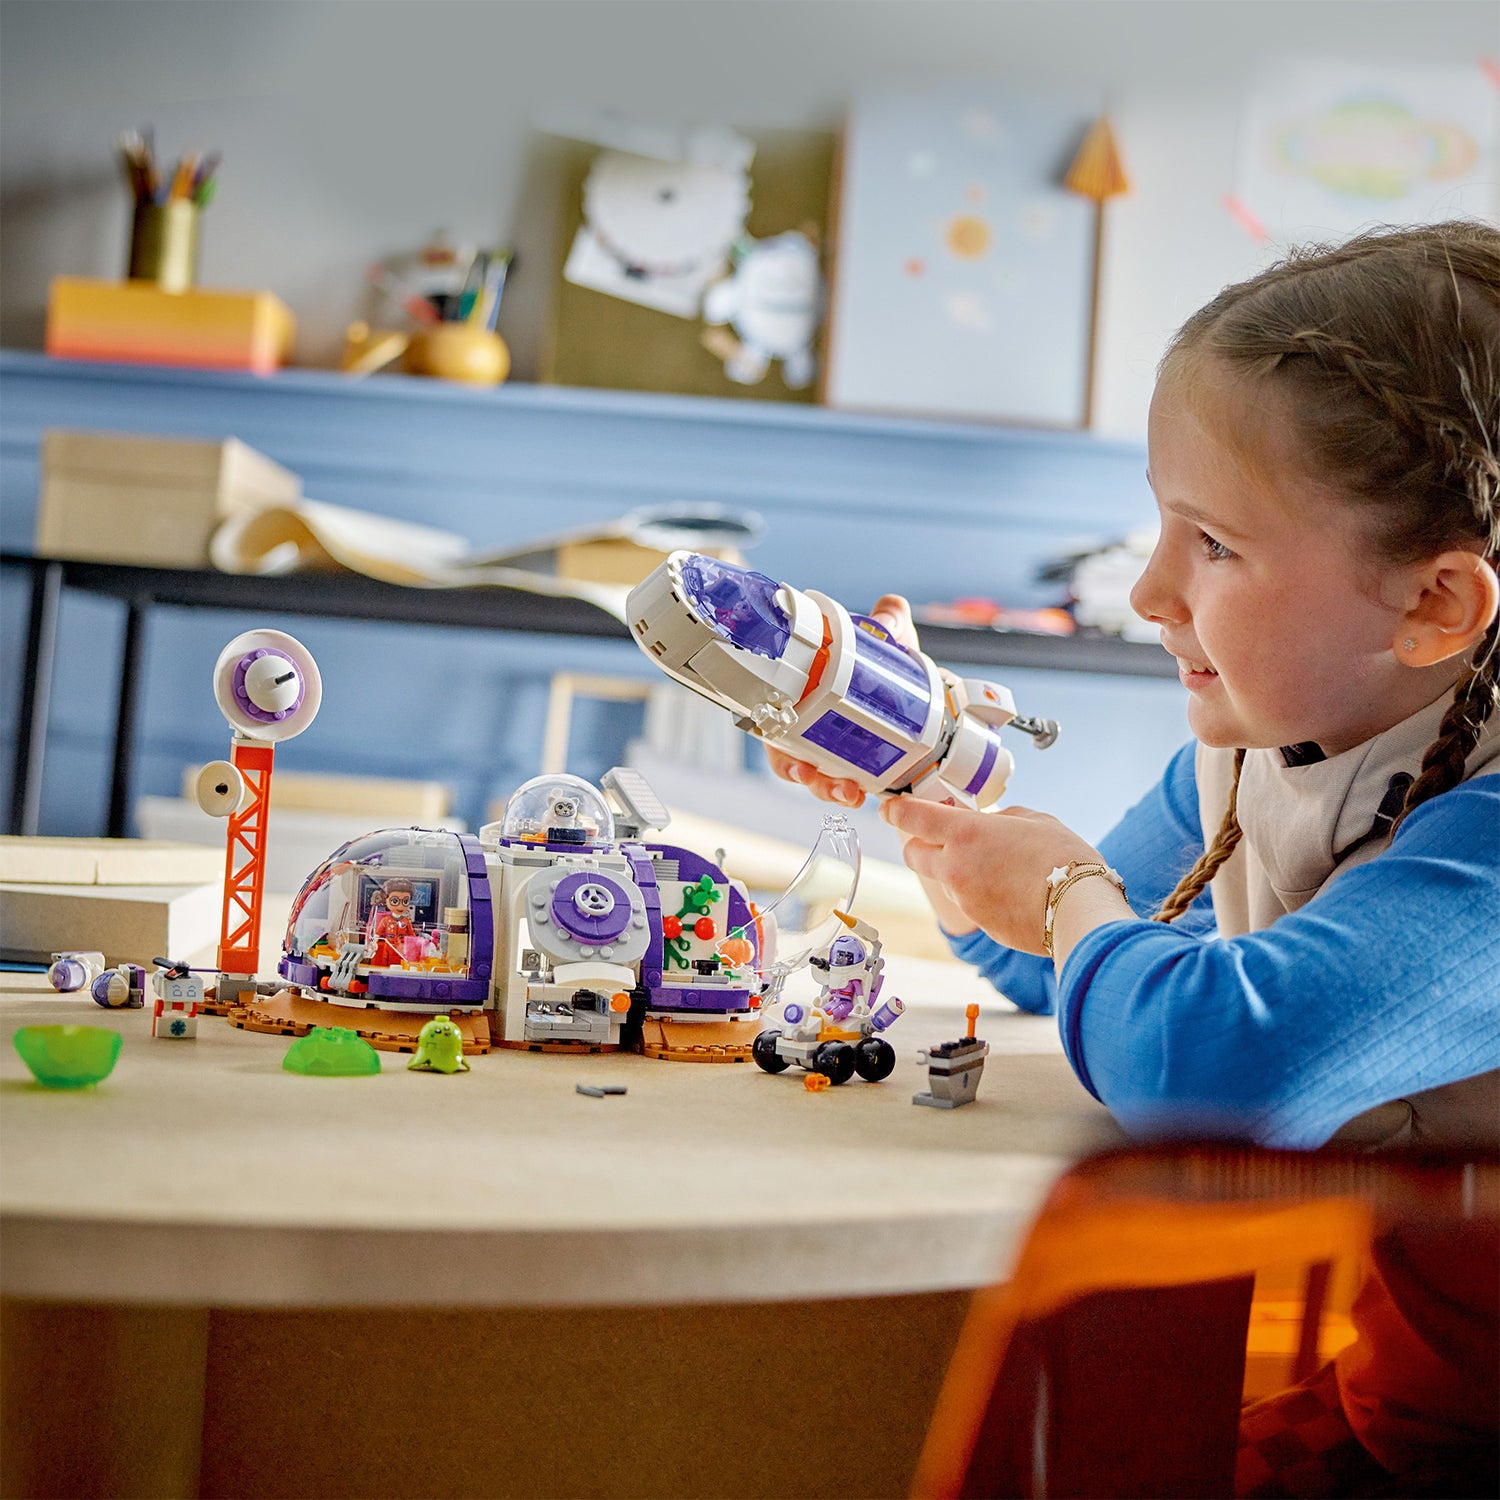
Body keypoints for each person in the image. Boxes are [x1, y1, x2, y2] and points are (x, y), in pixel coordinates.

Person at [770, 221, 1499, 1497]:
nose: (1151, 591)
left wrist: (1064, 894)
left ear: (1435, 604)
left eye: (1214, 543)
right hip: (1416, 1414)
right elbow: (1073, 967)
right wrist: (925, 780)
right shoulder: (1273, 746)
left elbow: (1210, 1073)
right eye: (1163, 526)